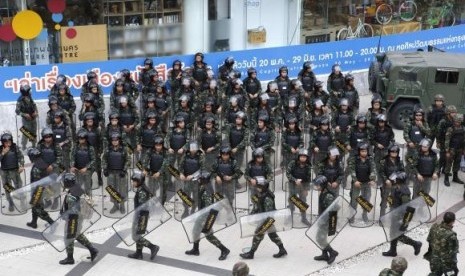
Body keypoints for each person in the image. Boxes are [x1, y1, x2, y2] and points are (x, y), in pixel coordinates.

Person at [184, 171, 230, 261]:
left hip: (205, 216)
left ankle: (224, 249)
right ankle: (195, 249)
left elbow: (209, 208)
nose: (198, 180)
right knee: (196, 231)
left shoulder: (207, 192)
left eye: (200, 179)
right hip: (202, 214)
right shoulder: (204, 186)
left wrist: (205, 220)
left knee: (208, 235)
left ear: (204, 180)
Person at [240, 177, 287, 259]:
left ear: (263, 187)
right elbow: (258, 206)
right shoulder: (261, 194)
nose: (257, 188)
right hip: (265, 219)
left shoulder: (267, 198)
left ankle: (251, 253)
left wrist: (263, 223)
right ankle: (282, 249)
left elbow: (268, 213)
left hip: (267, 220)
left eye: (259, 187)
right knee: (272, 234)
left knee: (258, 235)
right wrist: (252, 214)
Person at [59, 173, 98, 265]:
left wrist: (66, 217)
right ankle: (93, 250)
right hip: (80, 217)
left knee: (68, 237)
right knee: (76, 234)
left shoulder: (71, 195)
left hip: (73, 219)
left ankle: (70, 258)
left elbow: (72, 211)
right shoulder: (78, 188)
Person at [382, 172, 422, 257]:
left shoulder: (404, 192)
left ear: (399, 180)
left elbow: (408, 208)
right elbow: (393, 201)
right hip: (395, 215)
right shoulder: (396, 187)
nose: (393, 180)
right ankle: (393, 251)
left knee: (398, 235)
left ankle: (416, 244)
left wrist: (404, 222)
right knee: (393, 233)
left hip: (400, 217)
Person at [127, 170, 160, 260]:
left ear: (139, 181)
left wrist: (138, 218)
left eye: (134, 181)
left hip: (141, 216)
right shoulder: (143, 188)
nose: (133, 183)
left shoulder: (142, 191)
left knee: (135, 236)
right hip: (143, 215)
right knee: (139, 234)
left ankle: (153, 247)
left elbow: (142, 207)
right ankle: (138, 253)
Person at [26, 148, 56, 229]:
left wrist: (35, 195)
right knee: (34, 206)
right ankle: (34, 222)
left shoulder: (36, 167)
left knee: (37, 208)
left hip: (38, 190)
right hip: (43, 189)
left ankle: (52, 222)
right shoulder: (42, 162)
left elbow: (37, 183)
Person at [312, 175, 339, 264]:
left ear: (323, 185)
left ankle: (332, 252)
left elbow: (332, 210)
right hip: (323, 219)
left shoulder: (328, 196)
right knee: (322, 237)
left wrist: (323, 221)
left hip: (326, 221)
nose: (316, 187)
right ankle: (324, 254)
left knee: (319, 238)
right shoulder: (323, 191)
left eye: (318, 185)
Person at [348, 142, 377, 223]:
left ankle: (364, 215)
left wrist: (372, 179)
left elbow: (373, 170)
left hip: (367, 183)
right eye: (362, 151)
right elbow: (352, 170)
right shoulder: (354, 159)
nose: (364, 153)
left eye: (365, 151)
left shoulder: (370, 159)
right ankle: (352, 216)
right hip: (357, 183)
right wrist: (355, 180)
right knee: (354, 200)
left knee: (366, 200)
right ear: (359, 151)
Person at [102, 132, 130, 214]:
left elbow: (128, 160)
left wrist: (124, 170)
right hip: (111, 172)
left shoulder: (124, 149)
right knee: (112, 190)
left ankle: (122, 205)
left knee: (122, 190)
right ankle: (115, 205)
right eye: (113, 140)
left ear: (119, 140)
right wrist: (105, 169)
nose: (114, 142)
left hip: (121, 172)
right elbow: (104, 159)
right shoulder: (107, 149)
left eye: (116, 140)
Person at [286, 149, 312, 226]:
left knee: (303, 202)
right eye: (301, 156)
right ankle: (290, 216)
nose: (303, 158)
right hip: (293, 185)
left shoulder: (308, 166)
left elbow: (308, 178)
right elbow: (288, 174)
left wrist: (306, 189)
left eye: (305, 157)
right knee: (292, 200)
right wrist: (295, 180)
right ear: (299, 156)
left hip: (303, 186)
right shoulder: (292, 163)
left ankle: (303, 218)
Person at [0, 132, 25, 211]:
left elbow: (21, 156)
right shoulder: (0, 149)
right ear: (3, 142)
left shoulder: (15, 147)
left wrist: (21, 165)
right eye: (6, 142)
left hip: (15, 171)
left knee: (19, 186)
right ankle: (11, 203)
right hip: (5, 172)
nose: (8, 143)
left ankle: (22, 201)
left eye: (9, 141)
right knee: (8, 188)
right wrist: (3, 153)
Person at [70, 129, 96, 195]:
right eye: (80, 138)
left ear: (86, 139)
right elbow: (72, 157)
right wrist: (72, 166)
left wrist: (86, 168)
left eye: (83, 138)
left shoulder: (90, 148)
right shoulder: (75, 147)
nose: (81, 140)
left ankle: (88, 202)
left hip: (87, 171)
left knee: (87, 188)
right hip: (77, 170)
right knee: (78, 187)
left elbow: (93, 160)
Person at [443, 113, 465, 186]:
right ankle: (446, 179)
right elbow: (447, 140)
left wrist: (463, 149)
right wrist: (447, 151)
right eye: (456, 121)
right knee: (448, 164)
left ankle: (455, 178)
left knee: (457, 164)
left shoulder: (463, 128)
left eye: (458, 122)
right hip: (451, 149)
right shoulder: (450, 129)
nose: (457, 123)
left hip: (460, 149)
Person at [15, 84, 38, 150]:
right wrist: (25, 114)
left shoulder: (30, 97)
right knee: (26, 133)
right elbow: (17, 111)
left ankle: (34, 146)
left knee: (34, 132)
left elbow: (34, 105)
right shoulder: (20, 100)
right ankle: (24, 147)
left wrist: (36, 112)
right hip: (26, 120)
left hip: (33, 118)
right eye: (29, 90)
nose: (30, 91)